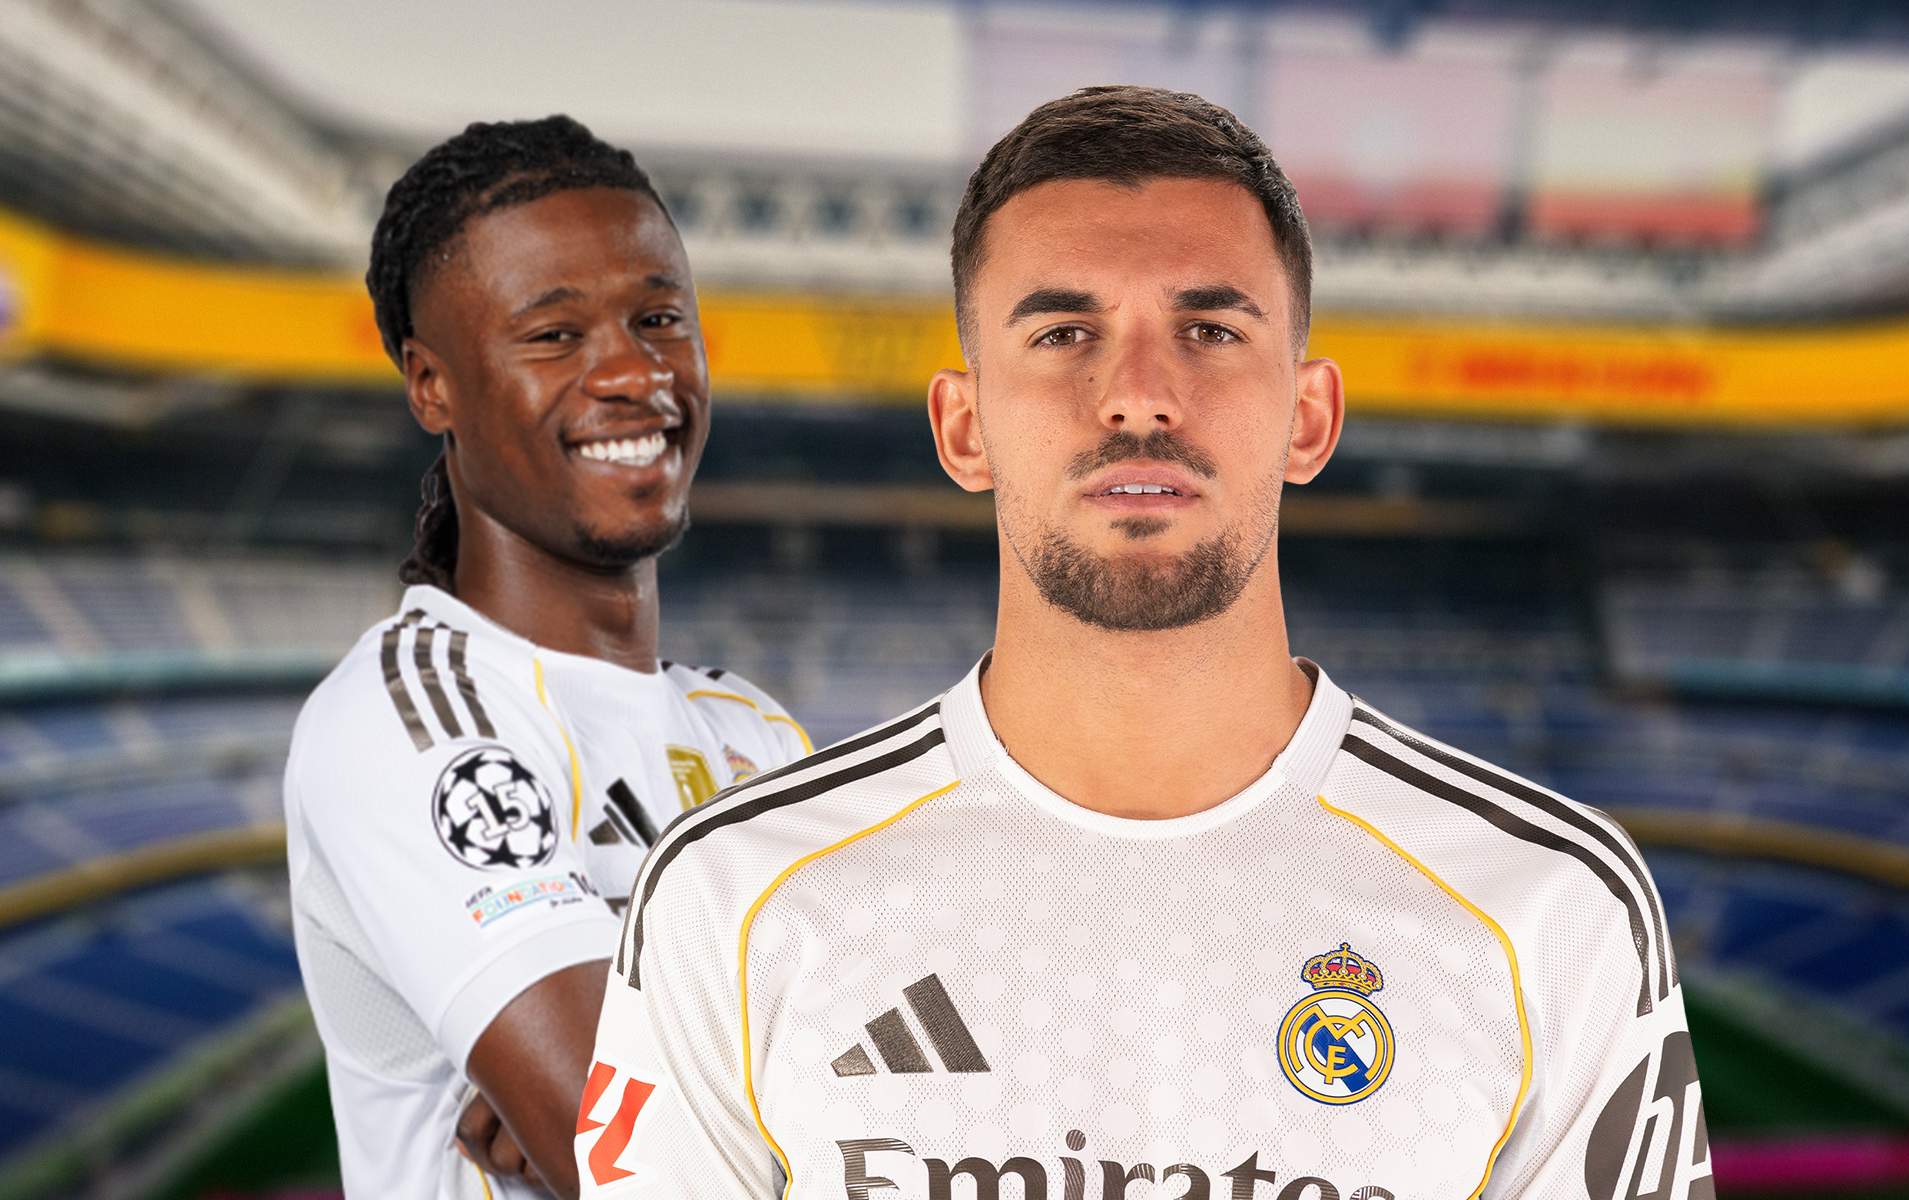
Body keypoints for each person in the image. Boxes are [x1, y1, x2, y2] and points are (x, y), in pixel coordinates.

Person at [584, 86, 1707, 1200]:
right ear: (962, 427)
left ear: (1307, 419)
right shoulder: (734, 897)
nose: (1136, 396)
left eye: (1207, 330)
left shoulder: (1548, 908)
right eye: (1065, 332)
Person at [285, 115, 810, 1200]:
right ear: (432, 385)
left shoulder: (755, 733)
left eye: (659, 318)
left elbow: (945, 1088)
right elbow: (634, 1163)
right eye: (554, 336)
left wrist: (668, 1085)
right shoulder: (409, 718)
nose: (631, 372)